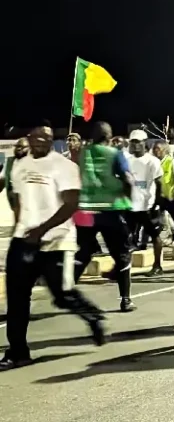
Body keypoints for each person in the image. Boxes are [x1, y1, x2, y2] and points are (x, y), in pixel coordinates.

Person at [2, 125, 106, 371]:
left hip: (56, 241)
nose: (40, 141)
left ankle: (92, 316)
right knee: (16, 300)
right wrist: (20, 232)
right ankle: (18, 353)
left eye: (46, 138)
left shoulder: (64, 166)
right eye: (36, 137)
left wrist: (41, 229)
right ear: (28, 138)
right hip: (25, 240)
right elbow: (20, 202)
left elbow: (71, 204)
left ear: (52, 140)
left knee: (62, 296)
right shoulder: (19, 165)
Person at [73, 122, 138, 312]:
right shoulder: (115, 154)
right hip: (111, 209)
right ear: (109, 136)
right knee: (122, 255)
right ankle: (125, 300)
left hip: (85, 211)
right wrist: (128, 198)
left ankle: (66, 293)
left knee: (84, 252)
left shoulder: (83, 153)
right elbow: (128, 178)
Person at [127, 129, 164, 276]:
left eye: (138, 142)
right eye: (133, 142)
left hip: (148, 206)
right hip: (131, 205)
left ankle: (157, 265)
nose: (135, 145)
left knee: (154, 236)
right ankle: (123, 267)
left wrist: (156, 203)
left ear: (144, 143)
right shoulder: (127, 160)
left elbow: (160, 183)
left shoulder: (152, 161)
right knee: (126, 237)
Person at [153, 141, 174, 245]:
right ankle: (158, 239)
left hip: (171, 195)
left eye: (158, 148)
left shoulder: (171, 161)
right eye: (154, 149)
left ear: (164, 150)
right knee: (157, 219)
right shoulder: (154, 162)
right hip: (159, 196)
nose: (155, 151)